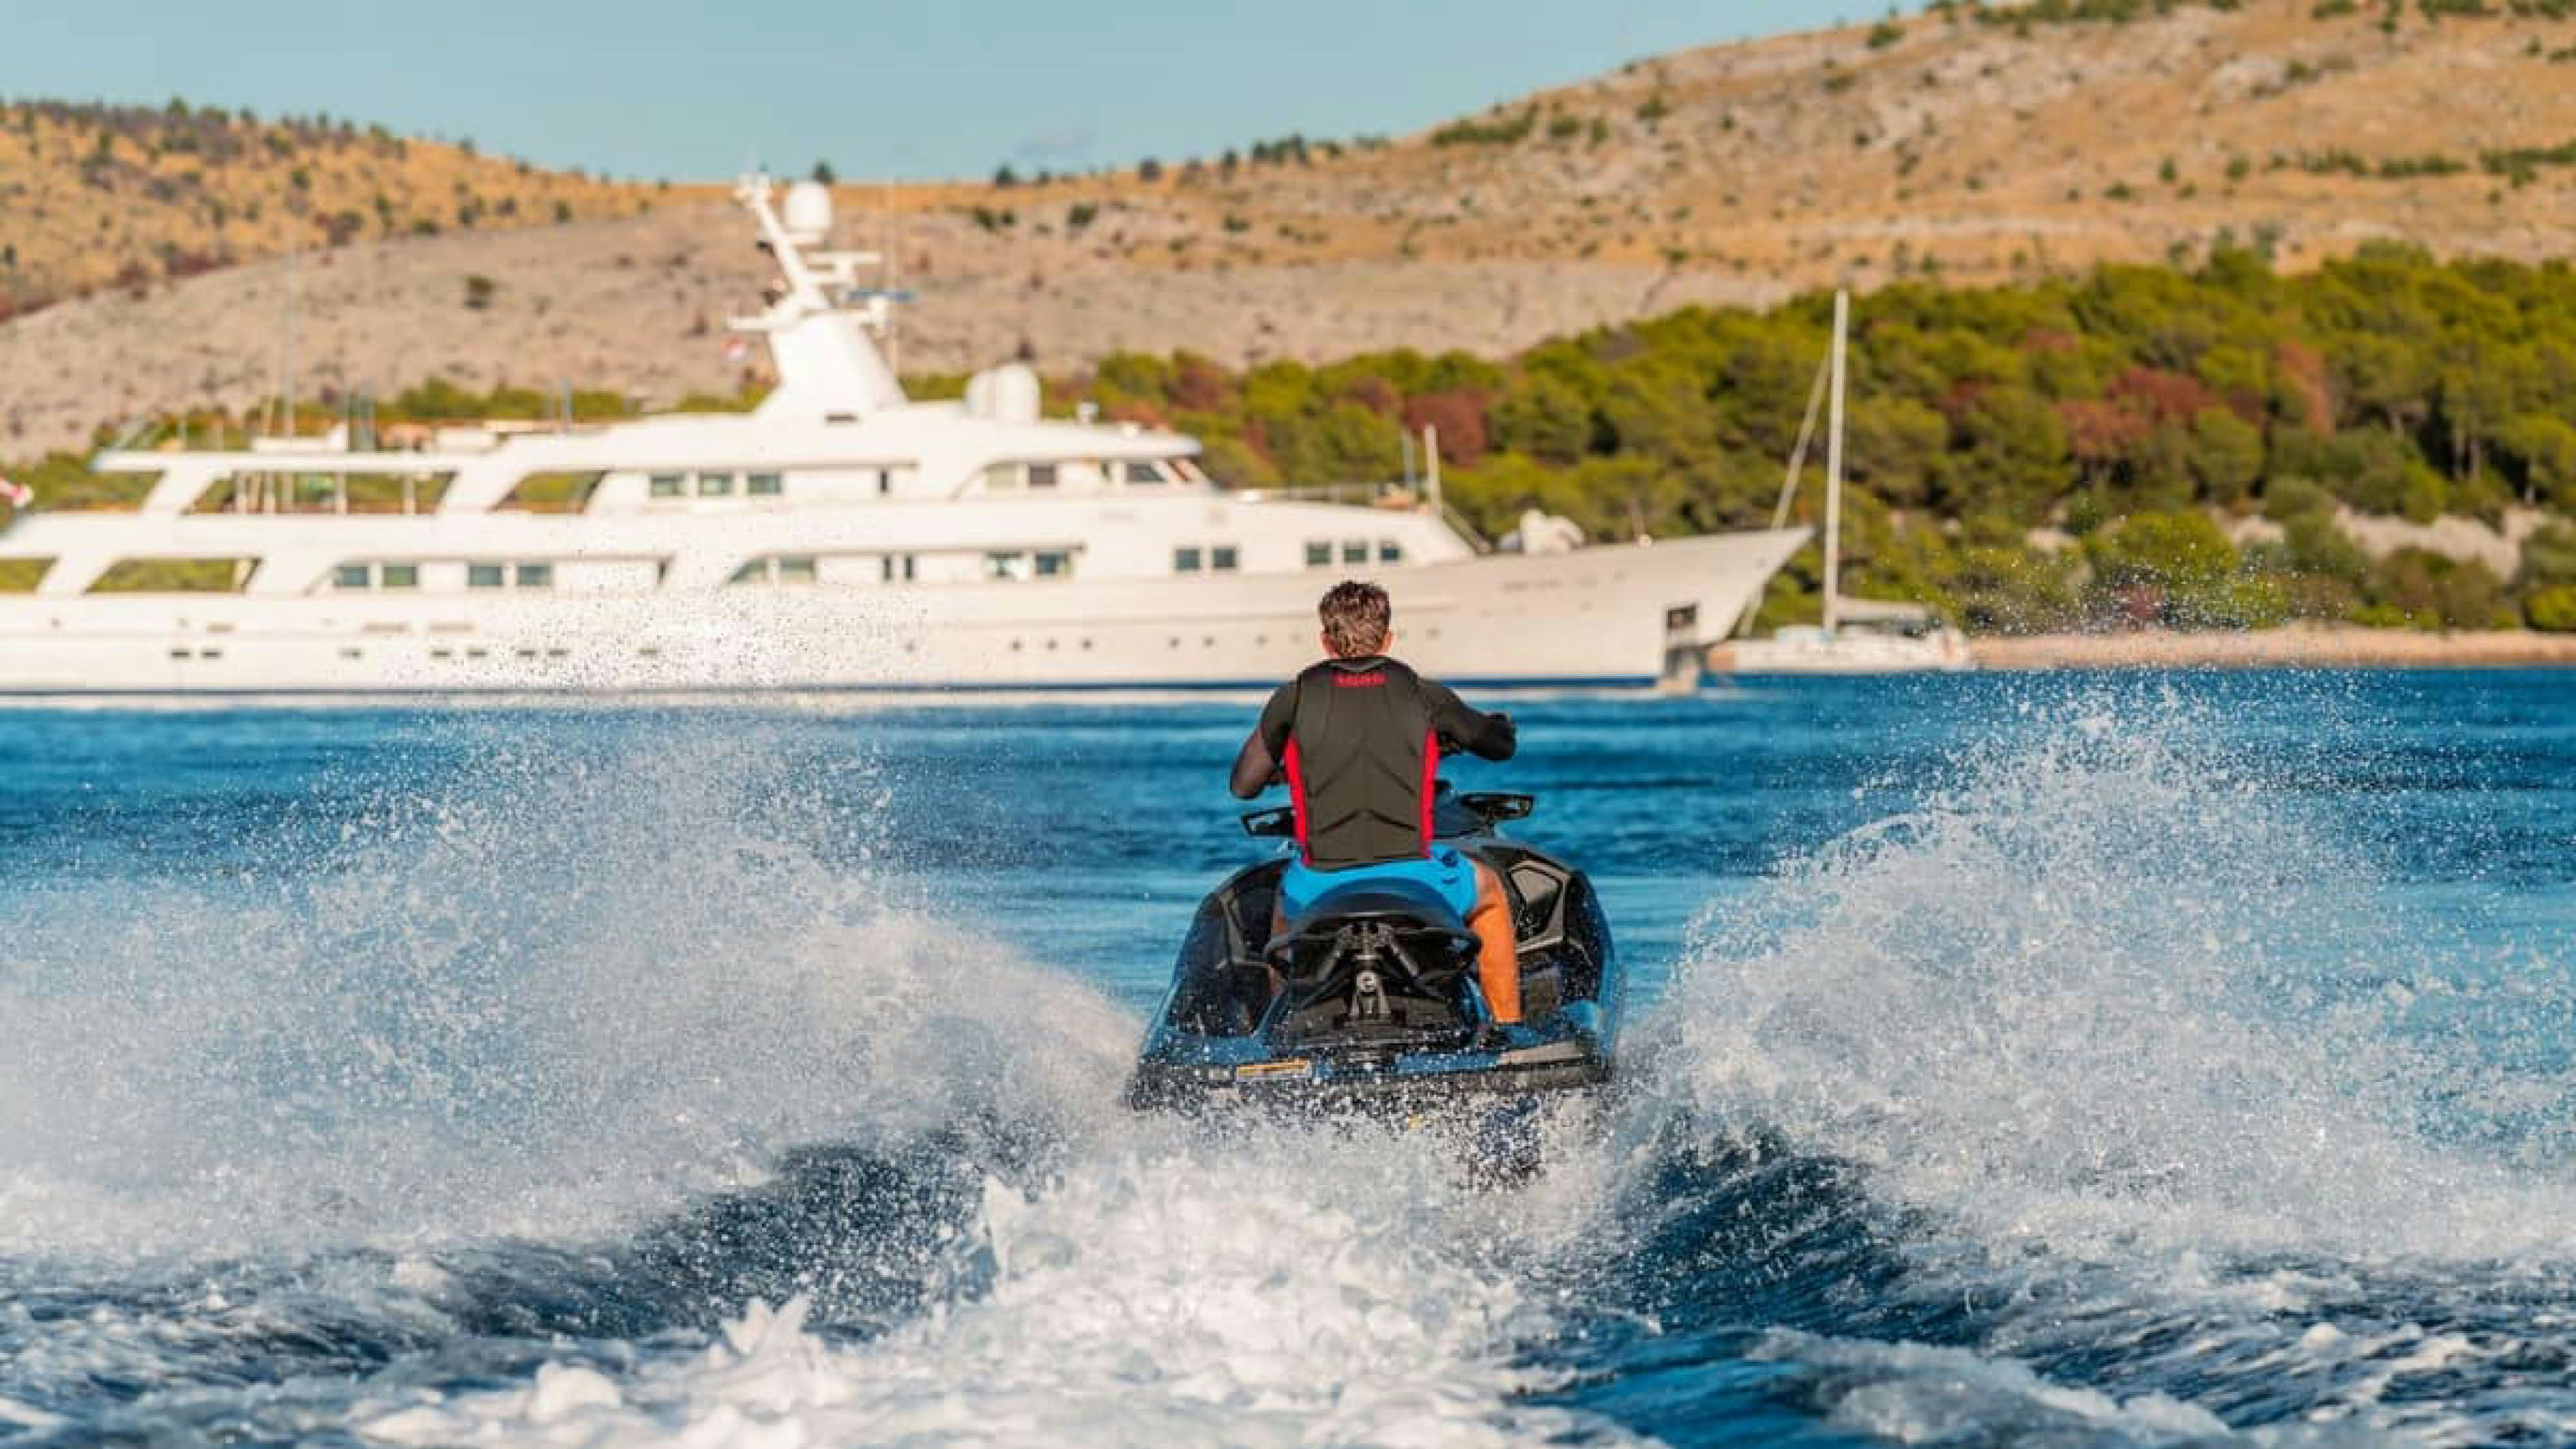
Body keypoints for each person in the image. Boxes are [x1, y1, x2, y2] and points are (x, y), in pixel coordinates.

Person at [1229, 580, 1524, 1023]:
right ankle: (1507, 1029)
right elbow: (1499, 747)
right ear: (1388, 639)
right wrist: (1499, 726)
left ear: (1326, 642)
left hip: (1320, 883)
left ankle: (1284, 1029)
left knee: (1282, 911)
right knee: (1491, 893)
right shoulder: (1423, 693)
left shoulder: (1293, 696)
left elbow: (1243, 785)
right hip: (1416, 876)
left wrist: (1283, 768)